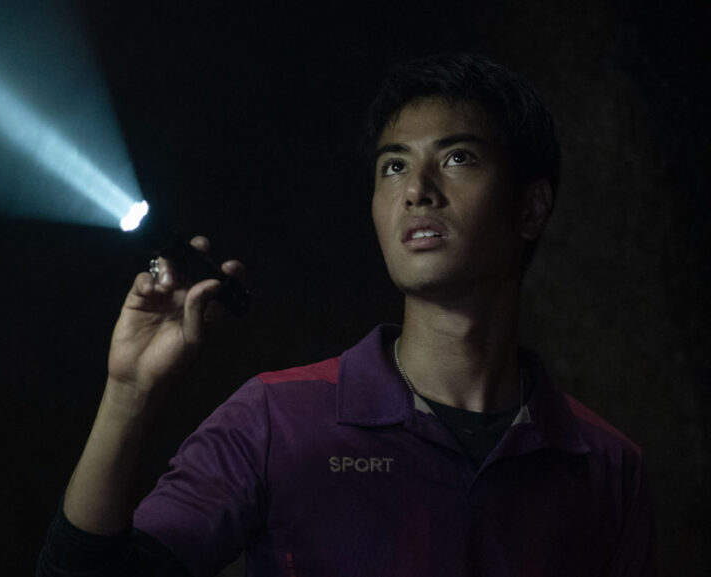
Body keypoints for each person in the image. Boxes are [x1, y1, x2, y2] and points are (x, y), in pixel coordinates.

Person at [37, 53, 655, 577]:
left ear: (531, 208)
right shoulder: (273, 420)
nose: (418, 189)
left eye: (458, 157)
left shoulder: (605, 466)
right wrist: (129, 393)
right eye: (394, 166)